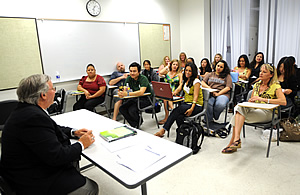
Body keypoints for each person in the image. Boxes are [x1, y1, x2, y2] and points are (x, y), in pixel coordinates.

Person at [0, 74, 98, 194]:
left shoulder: (25, 110)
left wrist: (73, 132)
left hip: (22, 168)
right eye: (53, 89)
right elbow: (57, 156)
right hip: (30, 180)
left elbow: (50, 127)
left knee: (72, 164)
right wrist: (82, 144)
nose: (55, 92)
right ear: (43, 95)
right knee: (90, 188)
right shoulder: (33, 117)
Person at [222, 64, 286, 154]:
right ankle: (236, 140)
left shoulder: (276, 86)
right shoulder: (256, 85)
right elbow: (252, 100)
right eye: (260, 71)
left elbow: (283, 101)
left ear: (271, 75)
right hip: (255, 110)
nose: (261, 73)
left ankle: (233, 142)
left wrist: (263, 99)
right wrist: (251, 101)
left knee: (238, 115)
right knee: (239, 109)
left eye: (264, 72)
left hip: (268, 113)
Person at [154, 63, 203, 137]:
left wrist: (192, 109)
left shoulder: (196, 82)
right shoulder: (186, 80)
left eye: (190, 71)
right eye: (186, 70)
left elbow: (195, 97)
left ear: (193, 72)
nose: (187, 72)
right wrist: (173, 93)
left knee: (175, 111)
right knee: (178, 116)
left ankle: (163, 130)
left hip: (196, 105)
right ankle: (183, 132)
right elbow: (179, 88)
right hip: (187, 103)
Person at [119, 62, 152, 128]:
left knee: (132, 110)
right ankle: (135, 124)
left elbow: (141, 92)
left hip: (146, 99)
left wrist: (127, 94)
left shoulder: (143, 78)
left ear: (139, 72)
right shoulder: (129, 78)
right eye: (130, 71)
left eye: (134, 71)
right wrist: (121, 93)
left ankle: (137, 124)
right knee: (122, 108)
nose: (132, 73)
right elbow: (125, 89)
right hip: (135, 98)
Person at [158, 59, 183, 125]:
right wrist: (167, 66)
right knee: (166, 97)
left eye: (176, 65)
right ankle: (171, 112)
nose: (175, 66)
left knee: (167, 98)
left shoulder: (179, 74)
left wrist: (175, 91)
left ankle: (170, 114)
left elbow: (181, 85)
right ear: (171, 65)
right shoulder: (167, 72)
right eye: (173, 64)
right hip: (166, 91)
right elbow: (160, 73)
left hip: (175, 91)